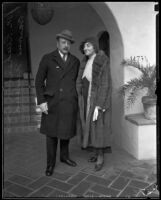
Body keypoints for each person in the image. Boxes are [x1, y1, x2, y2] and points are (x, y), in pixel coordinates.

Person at [35, 29, 80, 176]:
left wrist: (73, 98)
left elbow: (71, 82)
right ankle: (50, 164)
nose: (66, 45)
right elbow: (38, 82)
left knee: (65, 132)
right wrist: (41, 101)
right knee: (52, 134)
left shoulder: (75, 61)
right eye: (63, 42)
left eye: (68, 43)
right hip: (52, 102)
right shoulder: (47, 58)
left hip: (68, 102)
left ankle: (64, 156)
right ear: (57, 43)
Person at [76, 37, 112, 171]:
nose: (86, 48)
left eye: (88, 46)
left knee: (98, 127)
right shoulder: (84, 61)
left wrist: (99, 104)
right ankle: (96, 152)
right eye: (84, 46)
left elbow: (105, 83)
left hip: (96, 100)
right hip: (86, 99)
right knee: (90, 126)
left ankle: (101, 156)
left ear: (95, 47)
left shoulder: (102, 60)